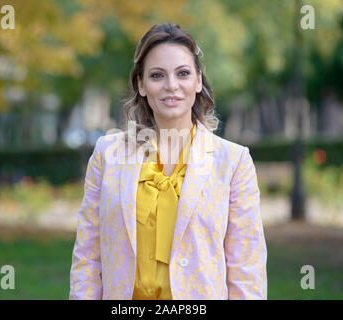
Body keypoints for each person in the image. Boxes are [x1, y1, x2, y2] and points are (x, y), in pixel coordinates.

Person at [69, 23, 267, 300]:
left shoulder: (233, 162)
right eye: (157, 75)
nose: (171, 86)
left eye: (183, 73)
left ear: (198, 80)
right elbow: (87, 258)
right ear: (140, 84)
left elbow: (247, 269)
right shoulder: (107, 153)